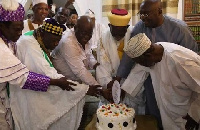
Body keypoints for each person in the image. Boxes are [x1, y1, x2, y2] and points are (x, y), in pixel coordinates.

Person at [116, 0, 199, 128]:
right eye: (141, 14)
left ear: (159, 11)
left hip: (179, 86)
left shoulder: (180, 54)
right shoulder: (140, 31)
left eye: (146, 14)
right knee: (155, 114)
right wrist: (121, 86)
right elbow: (138, 65)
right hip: (154, 83)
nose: (143, 18)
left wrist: (195, 115)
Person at [11, 18, 100, 130]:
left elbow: (88, 55)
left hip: (39, 84)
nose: (56, 44)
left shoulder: (36, 37)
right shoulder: (29, 45)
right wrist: (85, 89)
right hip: (25, 92)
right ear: (43, 34)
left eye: (57, 41)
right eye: (53, 41)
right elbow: (48, 74)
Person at [0, 1, 75, 129]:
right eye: (17, 29)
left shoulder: (9, 39)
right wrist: (56, 82)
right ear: (2, 26)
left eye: (21, 29)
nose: (20, 33)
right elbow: (24, 78)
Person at [122, 33, 200, 130]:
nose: (140, 65)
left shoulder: (181, 61)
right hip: (169, 111)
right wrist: (123, 91)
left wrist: (194, 115)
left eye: (140, 62)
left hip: (186, 115)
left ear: (148, 55)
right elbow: (138, 71)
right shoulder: (153, 52)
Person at [52, 15, 99, 86]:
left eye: (89, 34)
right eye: (83, 33)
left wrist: (95, 64)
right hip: (65, 83)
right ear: (75, 28)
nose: (86, 37)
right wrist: (98, 87)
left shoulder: (86, 37)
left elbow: (88, 55)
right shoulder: (68, 42)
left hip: (79, 78)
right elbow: (80, 71)